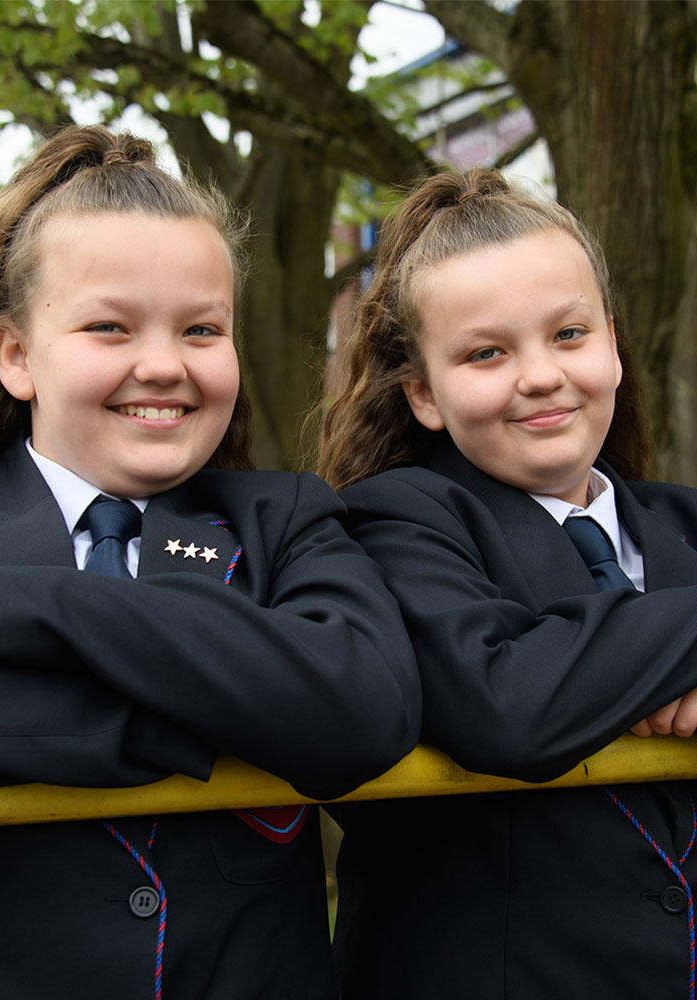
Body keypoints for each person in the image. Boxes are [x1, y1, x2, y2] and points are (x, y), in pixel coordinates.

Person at [0, 125, 420, 1000]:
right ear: (16, 355)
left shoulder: (287, 518)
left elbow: (362, 707)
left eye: (202, 329)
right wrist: (212, 713)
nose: (164, 365)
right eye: (110, 326)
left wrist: (40, 608)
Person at [320, 167, 697, 1000]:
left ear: (612, 342)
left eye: (569, 335)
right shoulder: (393, 522)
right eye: (487, 352)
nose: (540, 375)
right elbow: (506, 702)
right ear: (422, 392)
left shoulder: (685, 521)